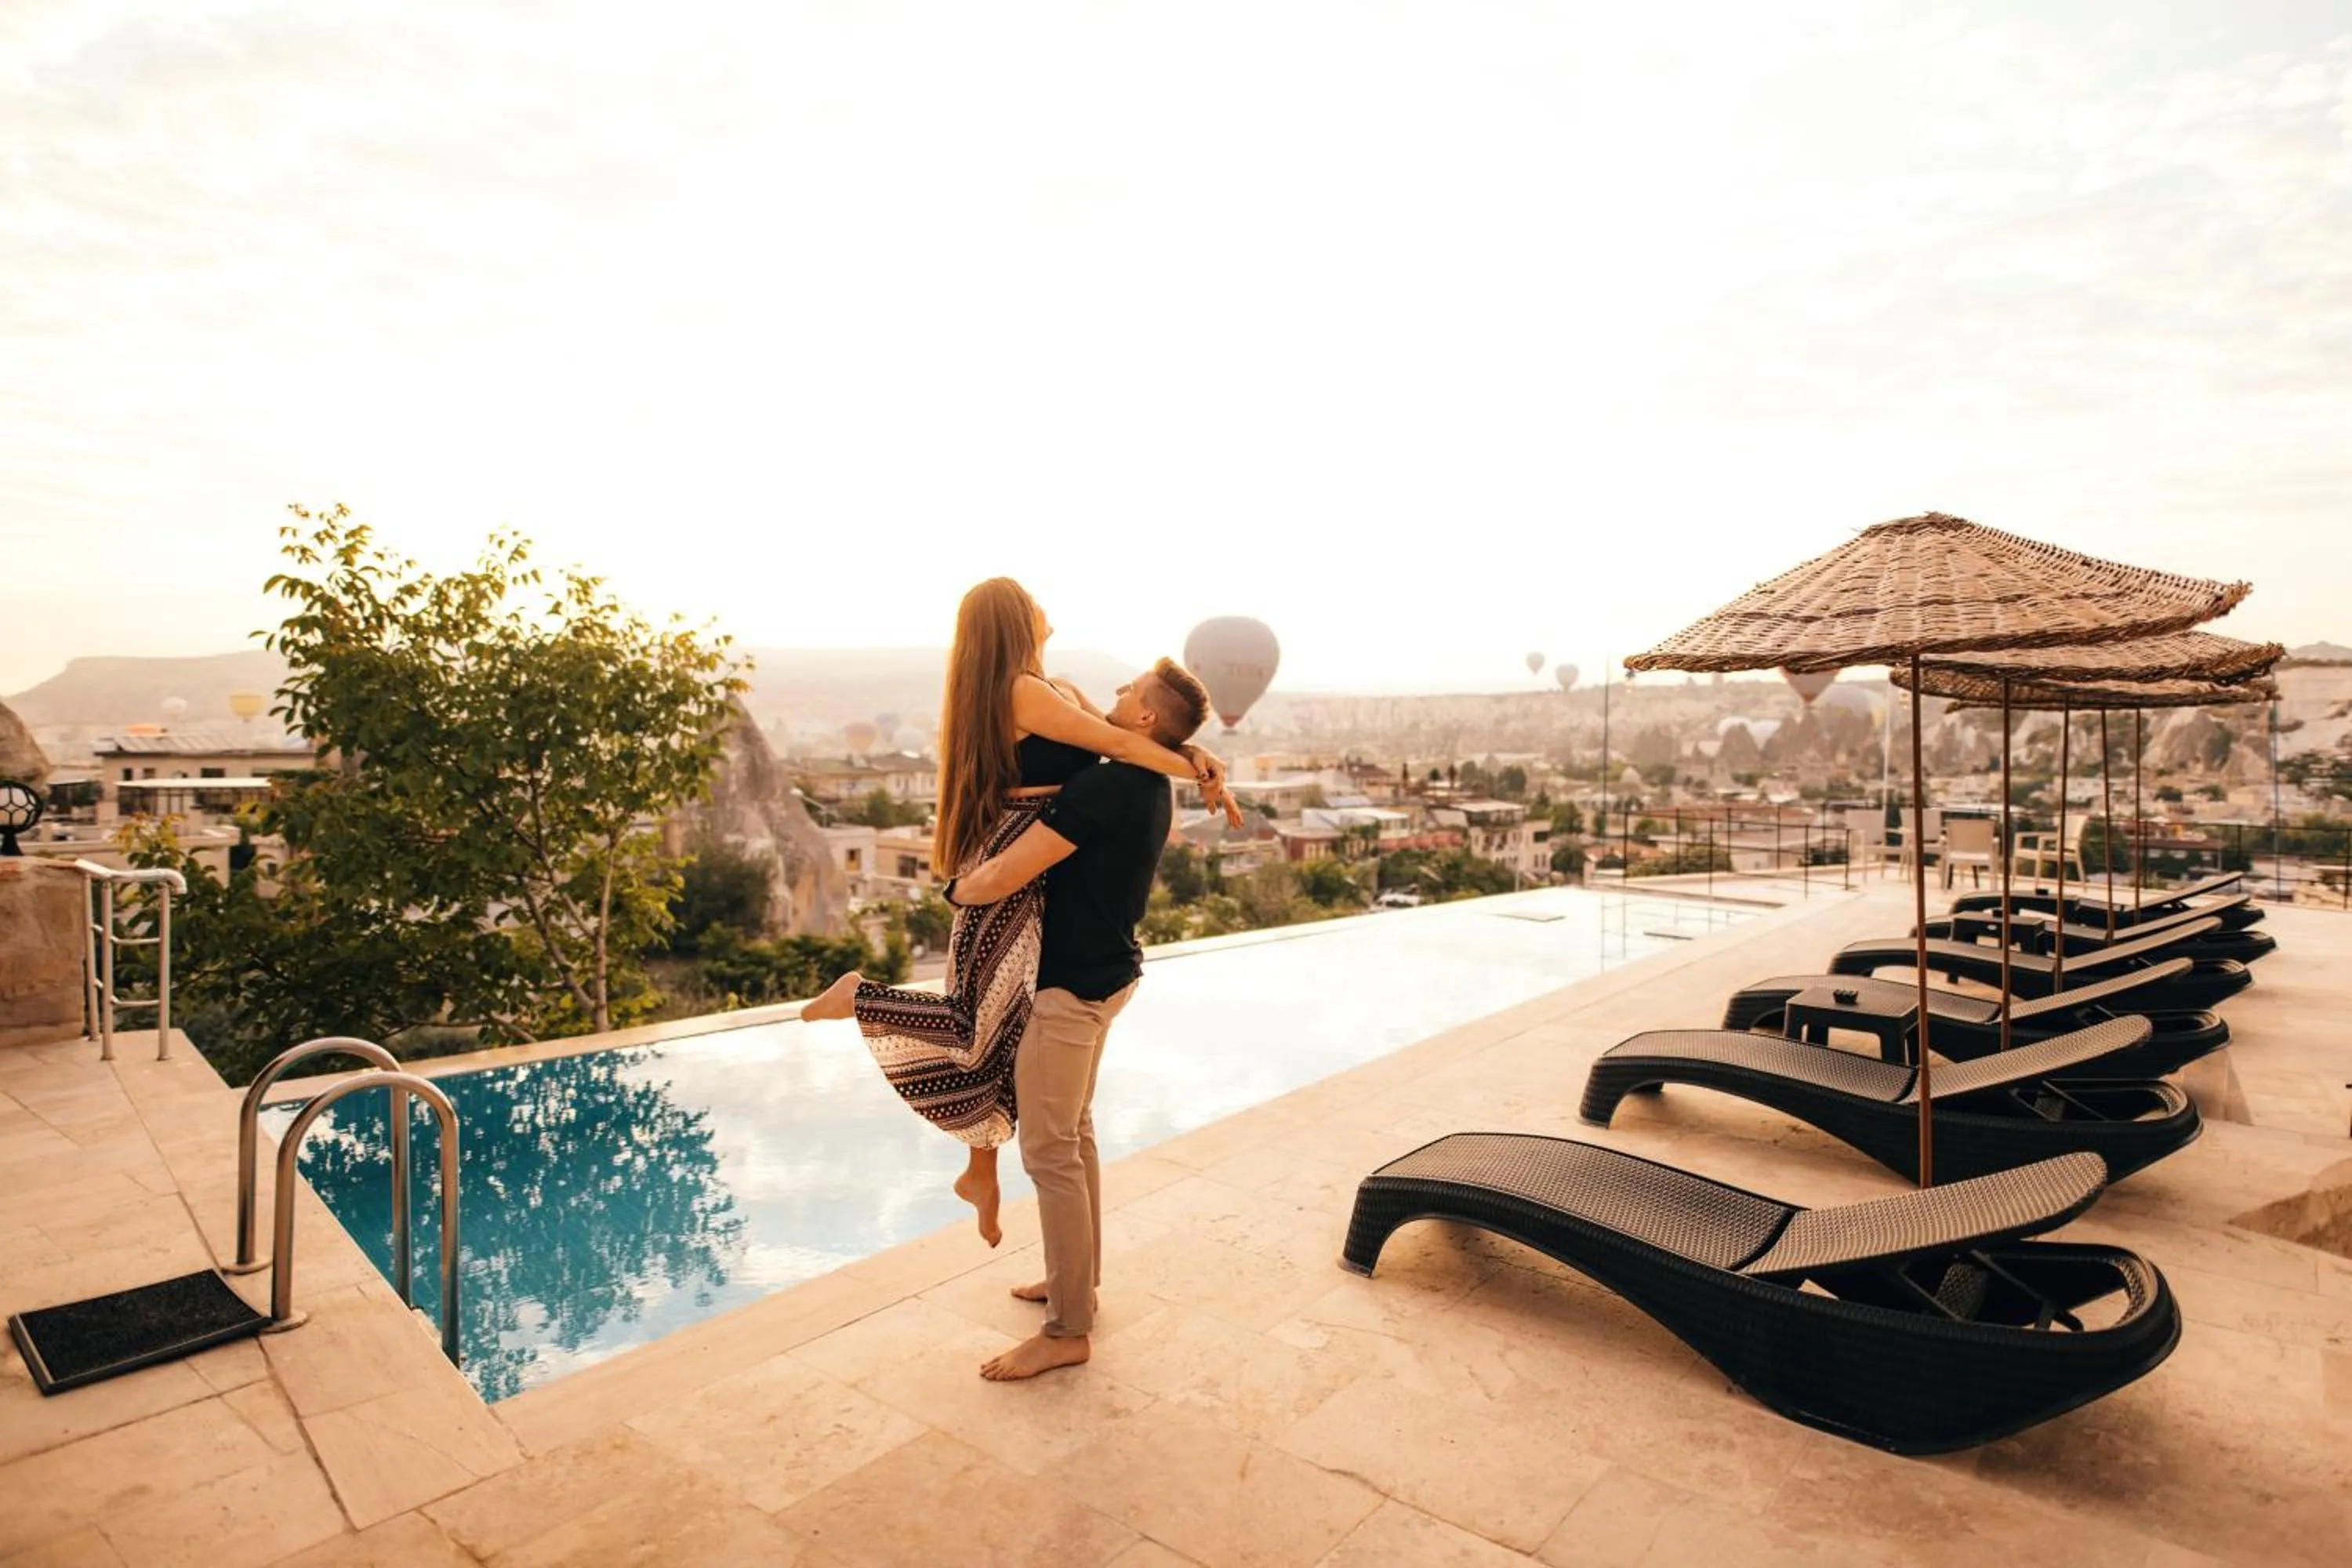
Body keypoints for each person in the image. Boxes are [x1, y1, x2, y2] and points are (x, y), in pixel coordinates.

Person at [800, 579, 1236, 1250]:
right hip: (1013, 858)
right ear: (1013, 619)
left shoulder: (1054, 686)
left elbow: (1121, 731)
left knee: (1007, 1023)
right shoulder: (1021, 692)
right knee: (980, 1019)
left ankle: (980, 1171)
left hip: (1041, 861)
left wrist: (1198, 755)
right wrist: (1196, 770)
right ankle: (863, 998)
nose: (1045, 607)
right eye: (1033, 600)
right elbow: (1121, 748)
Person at [941, 656, 1210, 1380]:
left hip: (1068, 990)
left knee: (1049, 1152)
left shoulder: (1102, 787)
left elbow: (1006, 874)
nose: (1115, 695)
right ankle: (1076, 1285)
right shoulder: (1151, 783)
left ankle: (1067, 1332)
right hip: (1112, 974)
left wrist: (954, 890)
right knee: (1076, 1135)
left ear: (1147, 718)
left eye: (1129, 692)